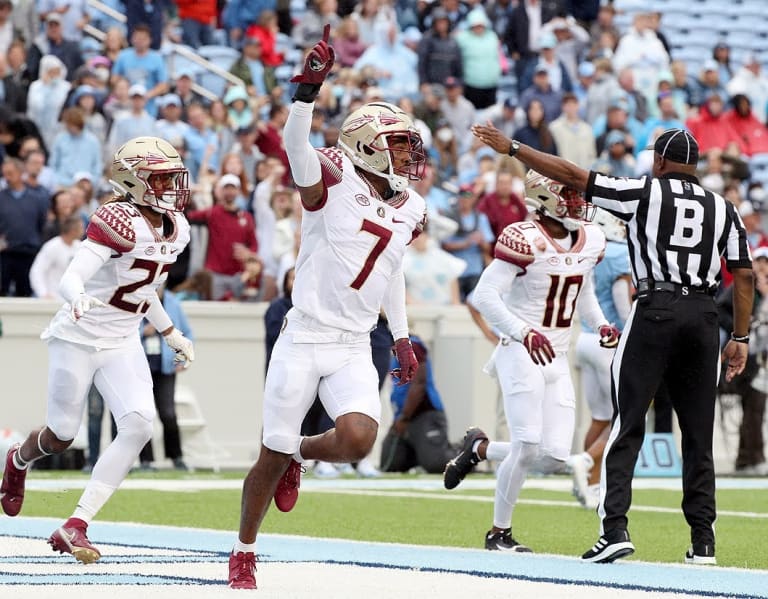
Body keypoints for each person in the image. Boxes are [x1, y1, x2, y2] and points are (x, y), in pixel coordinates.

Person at [470, 123, 752, 565]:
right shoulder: (725, 208)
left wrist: (513, 147)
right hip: (704, 317)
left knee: (627, 425)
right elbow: (745, 273)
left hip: (656, 307)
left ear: (658, 162)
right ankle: (703, 543)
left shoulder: (645, 191)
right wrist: (740, 336)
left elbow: (574, 174)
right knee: (698, 437)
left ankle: (614, 529)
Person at [228, 26, 427, 590]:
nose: (408, 154)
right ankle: (244, 549)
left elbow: (392, 268)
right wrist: (306, 93)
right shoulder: (333, 177)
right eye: (397, 144)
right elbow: (295, 149)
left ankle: (302, 456)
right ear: (366, 144)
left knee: (361, 437)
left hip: (352, 343)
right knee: (269, 453)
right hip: (305, 334)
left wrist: (404, 334)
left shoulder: (409, 205)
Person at [0, 137, 195, 563]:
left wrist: (168, 333)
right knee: (61, 436)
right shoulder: (117, 219)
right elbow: (73, 276)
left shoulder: (177, 227)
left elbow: (144, 289)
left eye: (171, 176)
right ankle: (18, 460)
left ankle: (77, 524)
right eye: (160, 178)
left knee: (141, 424)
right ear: (133, 181)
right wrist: (75, 298)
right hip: (78, 336)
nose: (171, 186)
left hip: (122, 339)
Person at [442, 169, 617, 552]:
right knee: (526, 443)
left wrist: (602, 324)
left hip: (556, 353)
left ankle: (479, 450)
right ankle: (498, 533)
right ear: (545, 198)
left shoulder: (589, 239)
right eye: (568, 196)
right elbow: (484, 296)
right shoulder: (525, 238)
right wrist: (523, 331)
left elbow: (582, 291)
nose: (577, 203)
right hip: (520, 350)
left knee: (553, 455)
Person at [569, 208, 632, 510]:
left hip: (583, 338)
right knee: (624, 417)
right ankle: (585, 462)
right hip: (608, 340)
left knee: (600, 418)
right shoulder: (618, 253)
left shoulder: (584, 248)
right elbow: (621, 303)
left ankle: (588, 483)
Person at [138, 286, 194, 471]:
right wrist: (143, 332)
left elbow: (186, 331)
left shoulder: (173, 303)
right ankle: (146, 461)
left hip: (165, 368)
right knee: (143, 415)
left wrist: (183, 357)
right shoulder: (136, 299)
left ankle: (176, 457)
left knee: (168, 413)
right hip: (141, 368)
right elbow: (124, 332)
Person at [380, 333, 455, 473]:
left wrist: (404, 417)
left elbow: (419, 383)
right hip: (403, 415)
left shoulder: (411, 345)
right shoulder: (394, 350)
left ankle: (466, 452)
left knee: (436, 464)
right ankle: (420, 452)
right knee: (390, 464)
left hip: (424, 413)